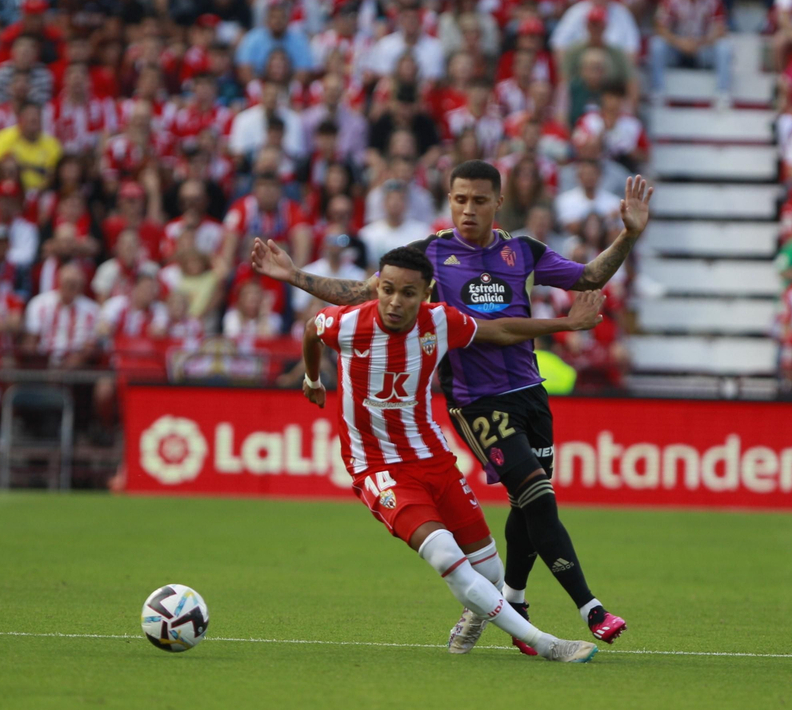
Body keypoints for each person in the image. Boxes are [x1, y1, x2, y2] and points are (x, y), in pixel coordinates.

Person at [255, 160, 653, 647]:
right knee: (535, 493)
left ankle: (511, 601)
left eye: (479, 200)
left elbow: (588, 277)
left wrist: (628, 236)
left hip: (529, 392)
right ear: (449, 200)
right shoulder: (429, 257)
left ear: (497, 203)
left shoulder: (522, 251)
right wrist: (294, 275)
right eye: (459, 199)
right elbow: (359, 294)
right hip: (474, 402)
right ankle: (587, 609)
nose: (468, 209)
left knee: (526, 504)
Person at [301, 244, 605, 662]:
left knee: (491, 572)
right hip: (378, 467)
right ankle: (544, 643)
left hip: (433, 458)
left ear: (426, 294)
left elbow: (500, 331)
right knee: (445, 554)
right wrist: (312, 377)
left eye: (407, 293)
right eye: (386, 289)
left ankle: (477, 612)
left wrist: (566, 324)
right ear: (377, 287)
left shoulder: (441, 322)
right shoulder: (348, 322)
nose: (394, 301)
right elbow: (311, 331)